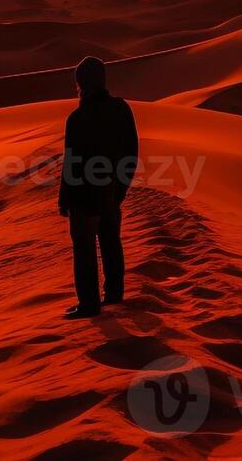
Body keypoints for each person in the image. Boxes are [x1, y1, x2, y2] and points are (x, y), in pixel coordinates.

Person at [59, 56, 138, 319]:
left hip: (84, 197)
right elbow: (131, 152)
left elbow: (71, 163)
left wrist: (64, 199)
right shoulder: (121, 109)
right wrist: (120, 189)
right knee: (110, 243)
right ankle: (114, 295)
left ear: (80, 84)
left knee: (84, 250)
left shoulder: (78, 118)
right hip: (110, 193)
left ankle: (89, 304)